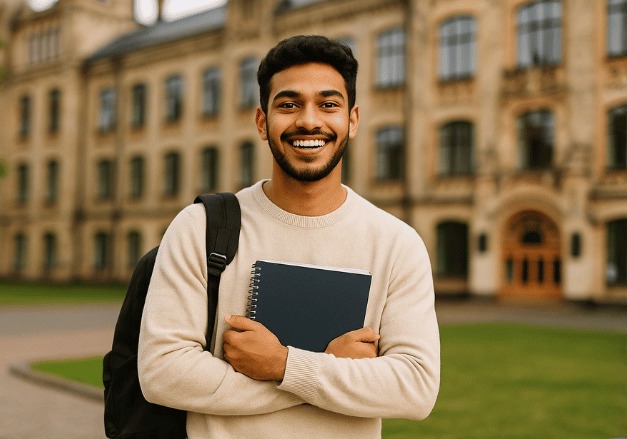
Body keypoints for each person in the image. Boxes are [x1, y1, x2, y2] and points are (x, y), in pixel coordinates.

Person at [138, 34, 440, 439]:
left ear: (352, 121)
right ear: (263, 122)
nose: (309, 121)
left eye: (328, 104)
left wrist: (282, 364)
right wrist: (320, 370)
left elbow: (415, 389)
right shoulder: (200, 227)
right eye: (289, 104)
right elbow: (162, 373)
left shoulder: (396, 243)